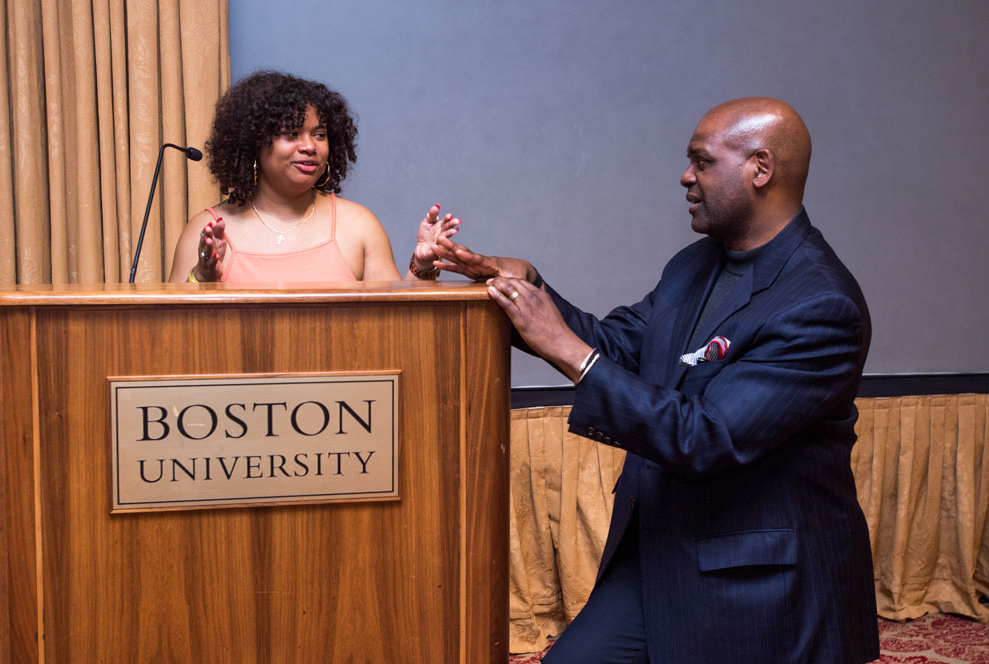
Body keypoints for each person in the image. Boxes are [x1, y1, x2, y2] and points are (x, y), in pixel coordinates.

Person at [434, 98, 880, 663]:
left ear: (760, 169)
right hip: (666, 549)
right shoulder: (694, 264)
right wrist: (519, 282)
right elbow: (620, 345)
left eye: (702, 161)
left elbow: (707, 436)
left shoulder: (821, 303)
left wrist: (568, 351)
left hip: (762, 582)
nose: (685, 176)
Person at [169, 71, 457, 283]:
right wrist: (202, 277)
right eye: (291, 134)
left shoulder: (359, 226)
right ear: (252, 143)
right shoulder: (208, 228)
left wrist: (422, 266)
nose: (309, 146)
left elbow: (400, 323)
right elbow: (171, 333)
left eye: (319, 134)